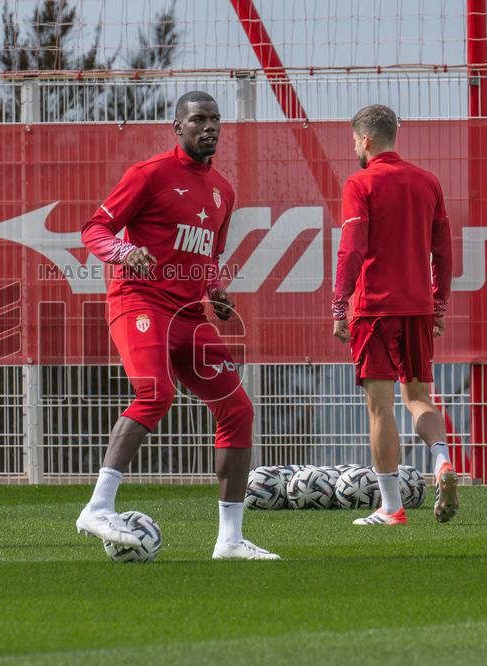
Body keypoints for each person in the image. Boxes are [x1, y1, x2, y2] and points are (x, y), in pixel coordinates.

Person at [75, 91, 278, 560]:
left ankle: (229, 540)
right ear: (178, 127)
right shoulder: (148, 175)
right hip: (139, 300)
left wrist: (216, 289)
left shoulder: (223, 191)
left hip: (188, 313)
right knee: (155, 392)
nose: (210, 127)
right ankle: (98, 506)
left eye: (215, 120)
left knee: (238, 409)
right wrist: (127, 252)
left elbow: (207, 258)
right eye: (199, 119)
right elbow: (94, 230)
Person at [332, 104, 459, 526]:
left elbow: (352, 247)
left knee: (381, 408)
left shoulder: (360, 182)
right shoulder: (427, 181)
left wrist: (339, 303)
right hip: (418, 307)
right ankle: (441, 461)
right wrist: (438, 303)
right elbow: (443, 251)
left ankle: (391, 507)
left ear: (365, 140)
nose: (354, 147)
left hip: (374, 310)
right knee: (419, 398)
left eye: (354, 140)